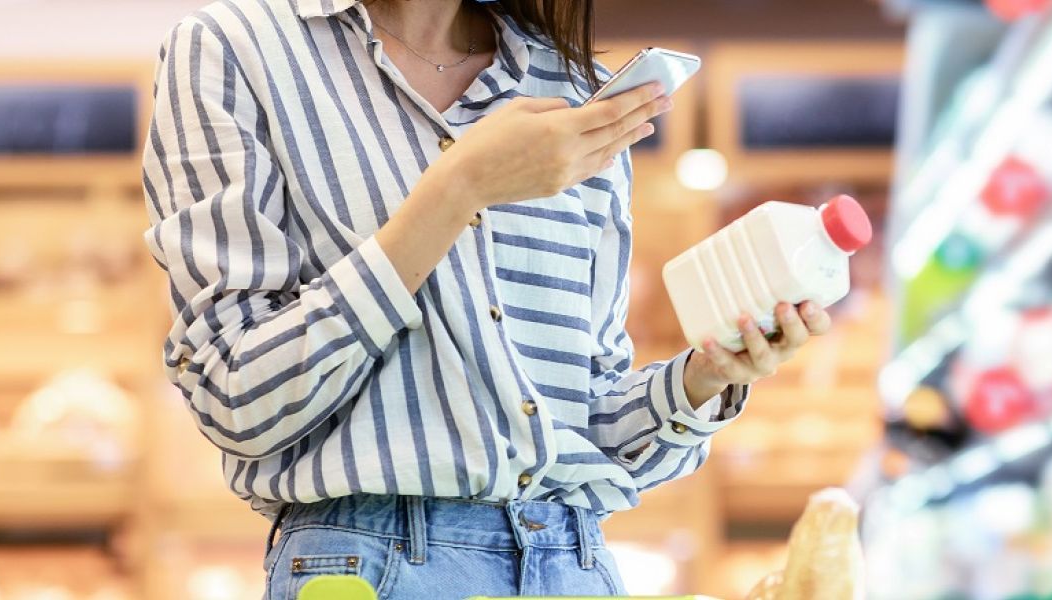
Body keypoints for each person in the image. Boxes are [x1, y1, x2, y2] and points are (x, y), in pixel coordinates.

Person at [141, 0, 831, 596]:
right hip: (368, 566)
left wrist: (706, 376)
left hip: (574, 562)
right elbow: (236, 396)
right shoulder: (235, 51)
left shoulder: (570, 91)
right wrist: (456, 190)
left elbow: (584, 426)